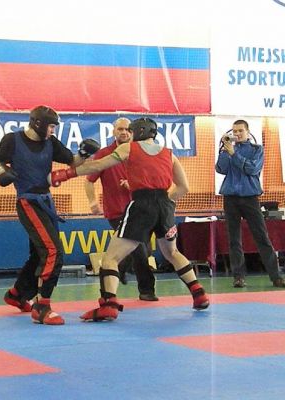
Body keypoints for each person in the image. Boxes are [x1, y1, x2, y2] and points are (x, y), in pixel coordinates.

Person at [50, 117, 210, 321]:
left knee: (110, 259)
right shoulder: (169, 153)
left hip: (141, 204)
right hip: (165, 205)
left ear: (137, 132)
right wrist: (163, 202)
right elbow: (183, 188)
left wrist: (65, 174)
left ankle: (108, 305)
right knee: (172, 252)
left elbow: (97, 165)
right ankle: (199, 294)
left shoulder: (129, 148)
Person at [0, 105, 100, 325]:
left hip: (46, 202)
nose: (52, 130)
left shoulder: (51, 142)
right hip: (28, 202)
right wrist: (0, 171)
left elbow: (72, 161)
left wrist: (83, 154)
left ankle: (17, 295)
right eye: (51, 126)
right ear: (38, 124)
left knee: (40, 254)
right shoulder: (13, 140)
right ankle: (41, 307)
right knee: (52, 251)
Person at [84, 117, 158, 301]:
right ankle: (147, 290)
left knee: (144, 249)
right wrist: (93, 202)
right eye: (120, 129)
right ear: (113, 132)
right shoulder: (104, 154)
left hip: (141, 210)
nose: (124, 132)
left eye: (127, 129)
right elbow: (89, 180)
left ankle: (121, 267)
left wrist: (134, 185)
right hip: (117, 211)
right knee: (139, 249)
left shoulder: (140, 152)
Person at [215, 119, 285, 288]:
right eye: (234, 131)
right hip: (230, 198)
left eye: (240, 131)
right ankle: (238, 277)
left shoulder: (256, 149)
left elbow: (252, 169)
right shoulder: (228, 149)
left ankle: (276, 276)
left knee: (262, 237)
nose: (237, 134)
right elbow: (221, 169)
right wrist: (224, 151)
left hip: (250, 197)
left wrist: (234, 154)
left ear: (247, 132)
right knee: (234, 239)